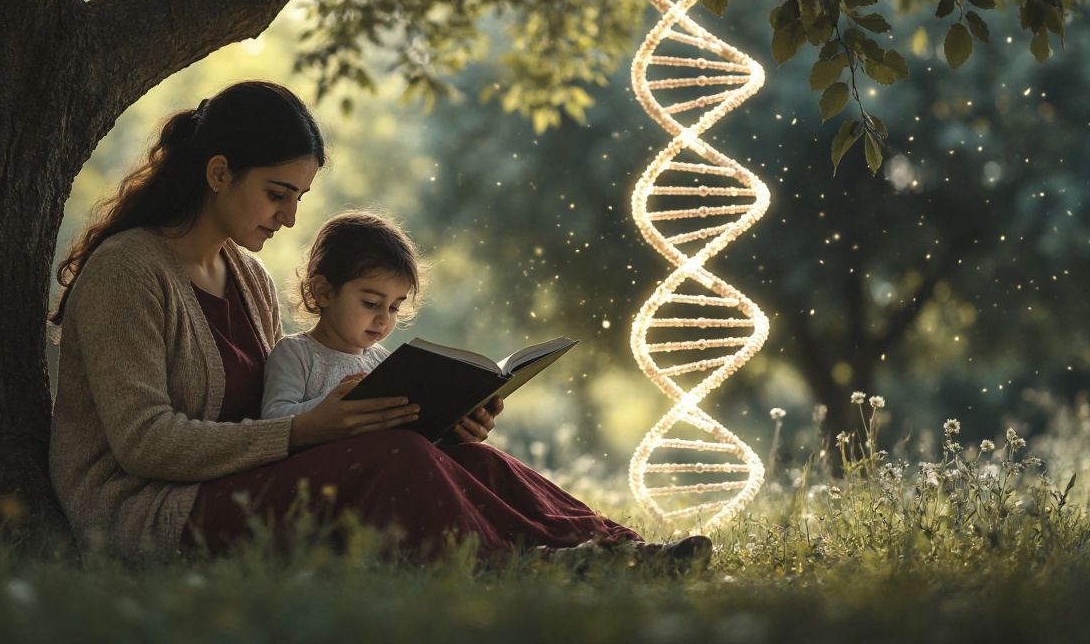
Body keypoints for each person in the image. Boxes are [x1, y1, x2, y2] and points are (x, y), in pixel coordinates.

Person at [48, 80, 710, 567]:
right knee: (395, 459)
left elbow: (263, 415)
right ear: (218, 173)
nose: (288, 219)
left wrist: (435, 417)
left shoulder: (244, 276)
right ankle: (521, 564)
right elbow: (144, 445)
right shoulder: (128, 273)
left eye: (299, 199)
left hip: (235, 485)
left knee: (462, 452)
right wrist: (310, 429)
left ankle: (616, 549)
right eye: (277, 194)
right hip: (154, 515)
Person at [258, 210, 423, 424]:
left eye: (394, 307)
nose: (384, 319)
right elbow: (273, 419)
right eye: (371, 303)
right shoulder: (296, 353)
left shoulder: (383, 362)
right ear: (324, 292)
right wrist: (333, 403)